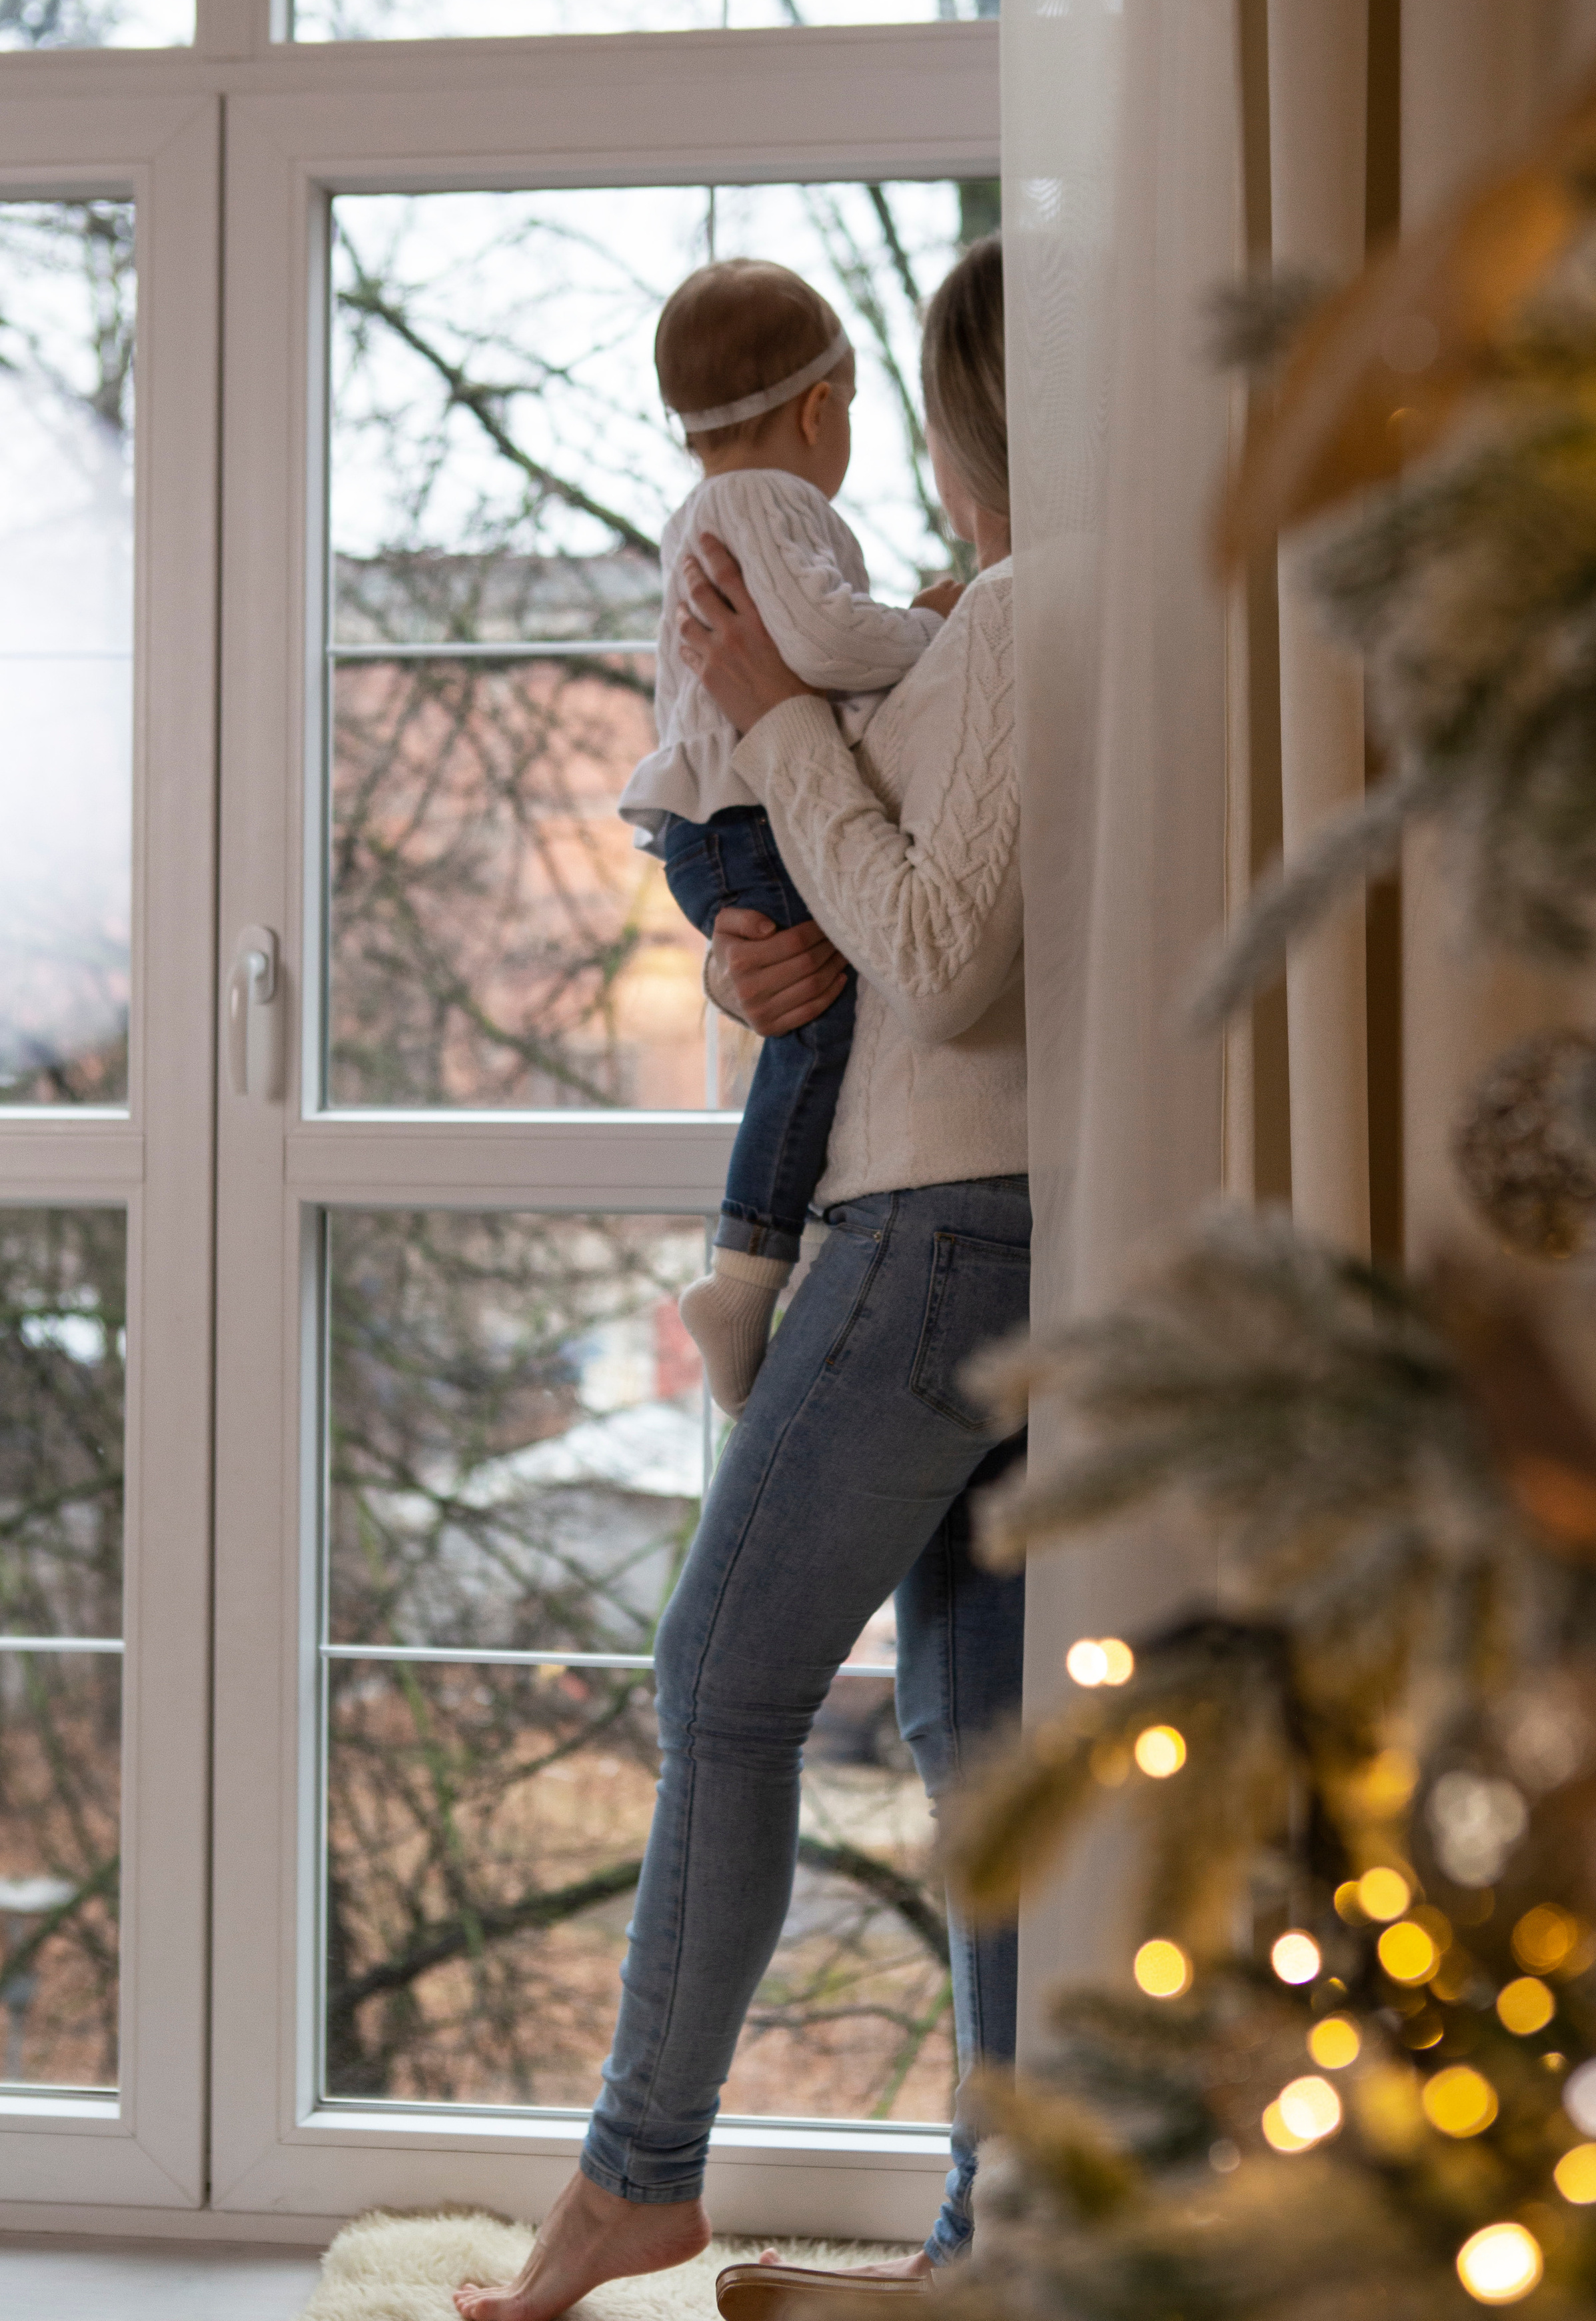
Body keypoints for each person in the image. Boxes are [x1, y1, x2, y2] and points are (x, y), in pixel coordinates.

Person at [454, 235, 1023, 2321]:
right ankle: (998, 2244)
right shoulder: (1004, 616)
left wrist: (776, 722)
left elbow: (937, 952)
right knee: (985, 1748)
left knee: (719, 1684)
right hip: (1011, 1215)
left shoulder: (1015, 611)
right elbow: (896, 908)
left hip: (931, 1217)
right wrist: (750, 957)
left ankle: (637, 2179)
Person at [620, 258, 955, 1416]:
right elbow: (824, 644)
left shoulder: (708, 514)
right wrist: (932, 631)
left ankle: (755, 1267)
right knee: (819, 1033)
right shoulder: (771, 500)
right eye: (850, 409)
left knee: (815, 1030)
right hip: (746, 817)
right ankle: (746, 1272)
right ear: (820, 409)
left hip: (713, 826)